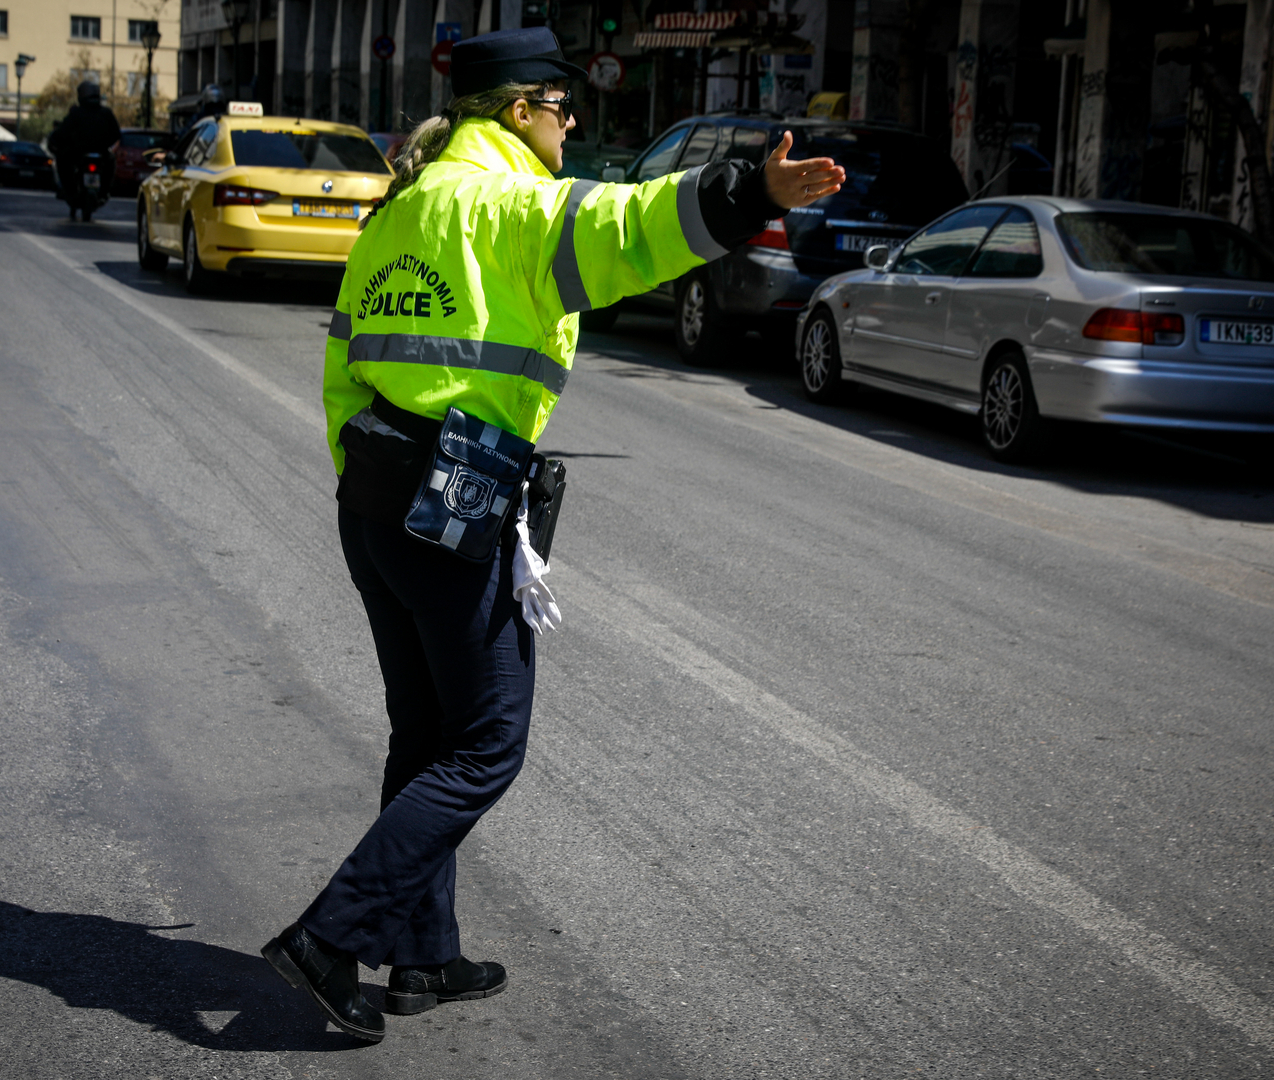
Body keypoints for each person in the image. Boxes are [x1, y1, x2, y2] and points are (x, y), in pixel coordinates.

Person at [261, 27, 844, 1043]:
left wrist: (361, 478)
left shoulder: (402, 208)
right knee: (487, 742)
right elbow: (632, 229)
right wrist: (753, 191)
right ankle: (331, 935)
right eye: (565, 110)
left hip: (373, 490)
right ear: (520, 109)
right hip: (451, 497)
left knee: (426, 732)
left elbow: (344, 358)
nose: (574, 127)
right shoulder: (507, 203)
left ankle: (424, 957)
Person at [49, 80, 121, 208]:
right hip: (100, 151)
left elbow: (63, 131)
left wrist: (56, 141)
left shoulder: (76, 113)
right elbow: (116, 133)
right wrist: (106, 144)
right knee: (110, 162)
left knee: (63, 161)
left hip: (78, 151)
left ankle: (71, 191)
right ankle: (103, 192)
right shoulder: (106, 113)